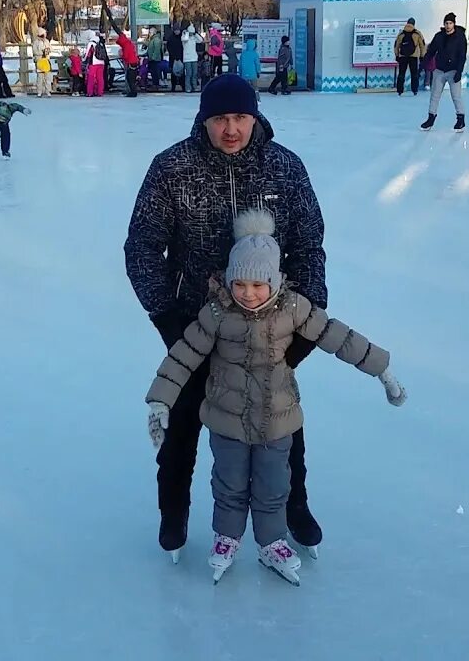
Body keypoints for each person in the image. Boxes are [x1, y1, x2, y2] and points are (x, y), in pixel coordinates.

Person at [124, 73, 329, 561]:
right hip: (196, 323)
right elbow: (143, 248)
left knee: (279, 424)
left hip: (269, 325)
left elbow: (308, 246)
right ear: (204, 120)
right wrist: (165, 316)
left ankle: (294, 506)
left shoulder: (284, 168)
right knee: (183, 424)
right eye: (220, 119)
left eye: (240, 117)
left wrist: (304, 320)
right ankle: (173, 513)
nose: (231, 129)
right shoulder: (172, 168)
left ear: (255, 117)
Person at [145, 209, 406, 585]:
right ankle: (227, 538)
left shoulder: (295, 310)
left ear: (274, 282)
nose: (248, 293)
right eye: (240, 284)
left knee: (274, 488)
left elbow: (341, 338)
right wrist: (160, 400)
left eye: (258, 285)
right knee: (229, 485)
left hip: (277, 421)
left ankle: (271, 543)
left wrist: (382, 370)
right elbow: (183, 355)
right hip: (227, 419)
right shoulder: (217, 312)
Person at [420, 12, 467, 132]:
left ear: (454, 24)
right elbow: (431, 52)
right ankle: (431, 118)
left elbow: (462, 55)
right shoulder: (439, 36)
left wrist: (459, 71)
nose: (448, 25)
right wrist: (423, 64)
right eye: (446, 23)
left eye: (450, 23)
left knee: (456, 96)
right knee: (434, 95)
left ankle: (460, 119)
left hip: (453, 70)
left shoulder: (460, 37)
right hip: (439, 70)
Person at [393, 18, 427, 96]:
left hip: (402, 56)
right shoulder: (417, 33)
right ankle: (415, 90)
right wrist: (422, 56)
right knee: (414, 74)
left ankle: (400, 90)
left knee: (401, 73)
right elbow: (422, 45)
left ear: (407, 23)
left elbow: (396, 45)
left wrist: (397, 55)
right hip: (413, 56)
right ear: (414, 24)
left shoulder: (401, 33)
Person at [117, 31, 140, 98]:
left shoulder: (126, 45)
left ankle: (132, 92)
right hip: (134, 62)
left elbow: (126, 56)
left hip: (131, 63)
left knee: (130, 78)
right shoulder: (129, 43)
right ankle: (132, 91)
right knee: (132, 78)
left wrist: (122, 56)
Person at [85, 31, 108, 97]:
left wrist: (84, 59)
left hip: (93, 63)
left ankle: (90, 92)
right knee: (100, 78)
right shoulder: (101, 42)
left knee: (91, 77)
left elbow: (87, 54)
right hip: (101, 62)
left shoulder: (91, 43)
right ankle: (100, 92)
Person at [181, 25, 202, 93]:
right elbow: (185, 39)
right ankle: (188, 87)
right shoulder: (184, 37)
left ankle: (194, 86)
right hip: (187, 58)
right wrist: (186, 33)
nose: (191, 34)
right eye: (190, 33)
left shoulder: (194, 38)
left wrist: (196, 34)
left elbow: (200, 40)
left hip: (194, 58)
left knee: (194, 73)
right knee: (189, 73)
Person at [166, 26, 184, 90]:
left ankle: (183, 86)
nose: (177, 32)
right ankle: (173, 86)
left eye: (178, 30)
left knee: (182, 73)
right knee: (173, 74)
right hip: (173, 58)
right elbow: (169, 48)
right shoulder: (171, 38)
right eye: (176, 30)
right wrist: (174, 56)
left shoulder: (182, 38)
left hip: (181, 57)